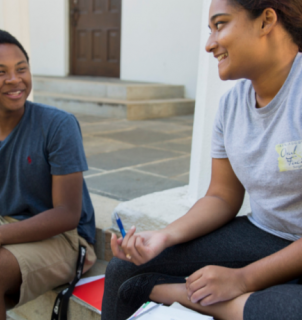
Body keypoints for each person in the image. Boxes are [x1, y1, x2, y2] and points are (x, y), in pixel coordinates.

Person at [102, 0, 302, 319]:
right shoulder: (231, 106)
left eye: (220, 25)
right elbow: (222, 196)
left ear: (266, 21)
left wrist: (243, 279)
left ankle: (193, 296)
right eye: (209, 30)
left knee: (280, 310)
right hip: (265, 234)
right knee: (124, 268)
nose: (209, 44)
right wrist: (163, 237)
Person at [0, 29, 96, 320]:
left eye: (21, 68)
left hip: (66, 239)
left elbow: (68, 214)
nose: (15, 79)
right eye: (0, 72)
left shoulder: (57, 125)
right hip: (12, 223)